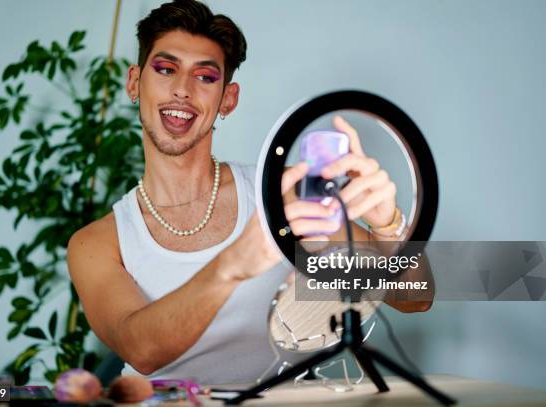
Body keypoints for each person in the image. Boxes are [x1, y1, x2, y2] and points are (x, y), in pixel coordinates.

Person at [67, 0, 430, 385]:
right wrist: (232, 264)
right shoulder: (97, 242)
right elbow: (143, 350)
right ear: (134, 83)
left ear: (228, 99)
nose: (182, 91)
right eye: (165, 70)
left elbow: (415, 298)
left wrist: (389, 226)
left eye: (205, 77)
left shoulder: (283, 194)